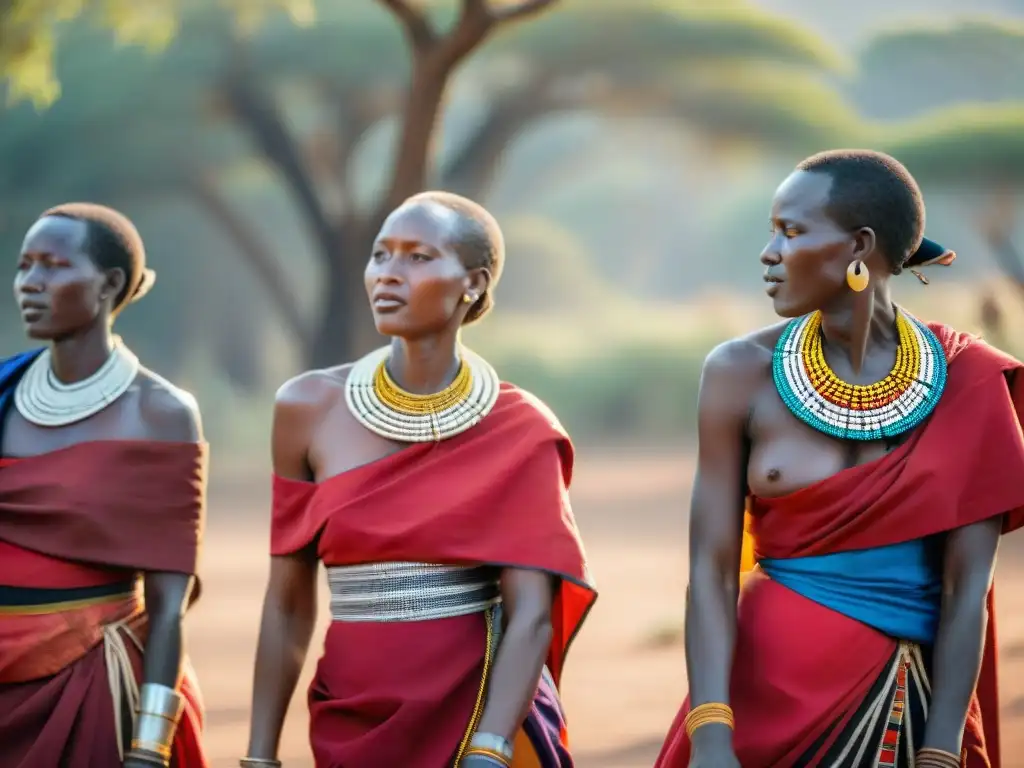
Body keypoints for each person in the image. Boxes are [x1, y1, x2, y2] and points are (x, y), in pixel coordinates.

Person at [655, 150, 1024, 768]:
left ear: (859, 246)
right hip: (758, 700)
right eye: (772, 229)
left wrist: (940, 749)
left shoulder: (971, 382)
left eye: (791, 231)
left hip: (908, 705)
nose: (769, 253)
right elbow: (712, 567)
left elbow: (967, 589)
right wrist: (712, 734)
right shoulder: (737, 373)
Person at [241, 191, 596, 768]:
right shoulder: (306, 408)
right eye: (381, 255)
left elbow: (530, 610)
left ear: (473, 283)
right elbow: (286, 602)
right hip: (351, 712)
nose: (389, 274)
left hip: (478, 710)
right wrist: (259, 756)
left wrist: (491, 746)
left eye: (417, 257)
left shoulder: (521, 429)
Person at [0, 203, 209, 768]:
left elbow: (168, 607)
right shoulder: (4, 393)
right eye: (24, 267)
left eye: (53, 266)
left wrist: (149, 746)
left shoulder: (160, 414)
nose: (30, 284)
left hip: (89, 688)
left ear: (110, 284)